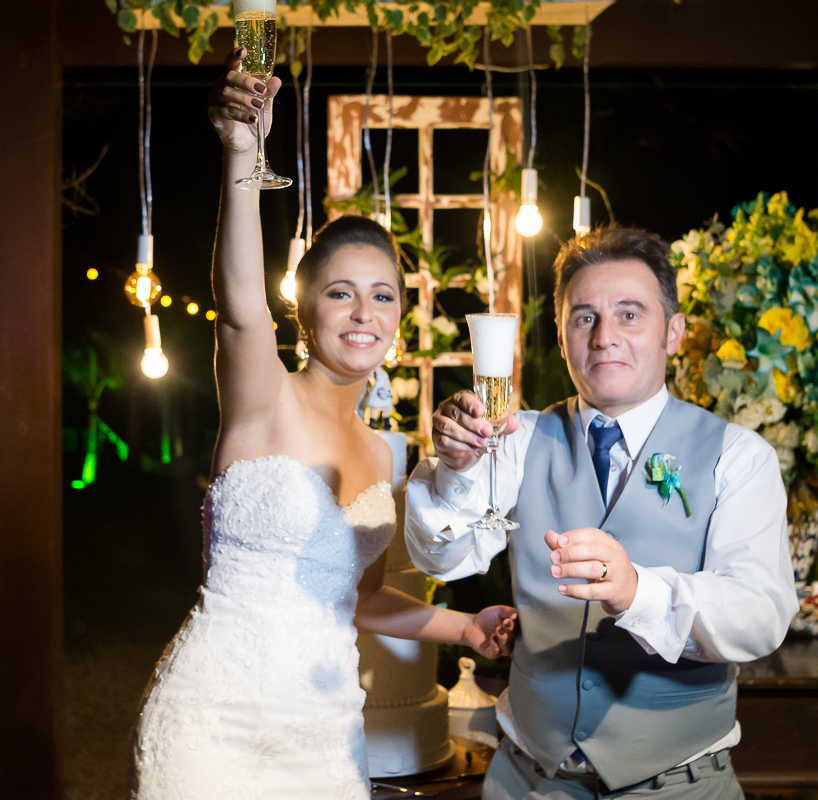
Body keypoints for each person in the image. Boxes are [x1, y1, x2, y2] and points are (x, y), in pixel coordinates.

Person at [129, 48, 518, 800]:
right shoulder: (262, 395)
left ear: (400, 321)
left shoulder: (384, 453)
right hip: (213, 720)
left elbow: (360, 600)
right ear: (304, 313)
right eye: (340, 293)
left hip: (326, 732)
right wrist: (242, 156)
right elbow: (240, 303)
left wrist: (463, 629)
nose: (363, 312)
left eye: (382, 296)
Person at [404, 226, 799, 799]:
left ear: (674, 332)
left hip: (678, 786)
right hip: (526, 780)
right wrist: (458, 470)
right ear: (562, 338)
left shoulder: (738, 456)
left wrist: (638, 591)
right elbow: (442, 560)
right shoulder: (518, 437)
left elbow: (759, 616)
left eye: (630, 314)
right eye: (584, 317)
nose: (604, 336)